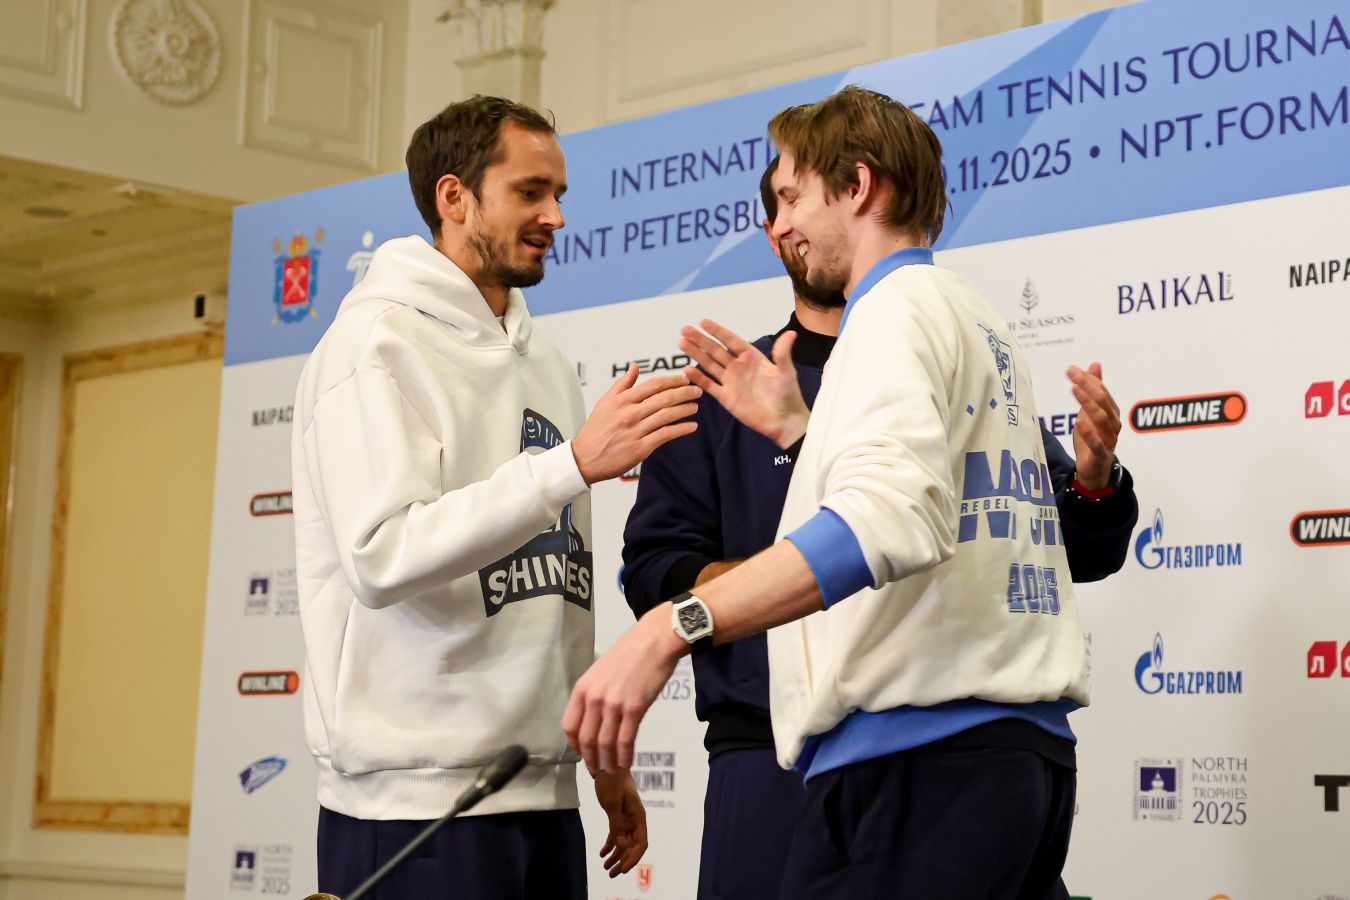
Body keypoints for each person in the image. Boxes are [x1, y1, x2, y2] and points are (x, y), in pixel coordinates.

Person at [566, 85, 1109, 898]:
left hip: (919, 768)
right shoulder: (973, 318)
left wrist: (670, 629)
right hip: (1009, 760)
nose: (778, 224)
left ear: (857, 187)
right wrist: (803, 432)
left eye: (792, 196)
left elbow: (884, 520)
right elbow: (938, 507)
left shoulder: (888, 314)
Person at [291, 95, 702, 899]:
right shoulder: (372, 344)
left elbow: (561, 580)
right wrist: (567, 466)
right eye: (529, 192)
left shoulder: (544, 360)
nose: (555, 216)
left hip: (540, 787)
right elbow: (381, 556)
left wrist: (594, 754)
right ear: (455, 198)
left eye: (559, 194)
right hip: (416, 800)